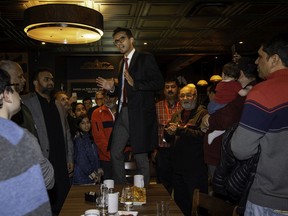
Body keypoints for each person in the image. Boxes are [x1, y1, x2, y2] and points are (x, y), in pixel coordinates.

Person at [96, 27, 164, 185]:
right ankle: (122, 188)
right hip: (123, 113)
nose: (119, 43)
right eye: (116, 42)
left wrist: (136, 83)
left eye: (122, 39)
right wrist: (111, 88)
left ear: (131, 40)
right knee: (115, 152)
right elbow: (121, 91)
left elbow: (159, 82)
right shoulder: (122, 63)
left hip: (139, 115)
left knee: (140, 156)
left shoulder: (145, 58)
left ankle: (141, 191)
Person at [231, 33, 288, 215]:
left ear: (274, 60)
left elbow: (241, 149)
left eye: (260, 56)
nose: (256, 62)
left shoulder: (263, 92)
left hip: (271, 197)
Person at [22, 68, 73, 215]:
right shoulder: (26, 102)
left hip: (61, 162)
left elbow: (67, 132)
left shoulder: (58, 104)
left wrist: (69, 157)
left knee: (63, 203)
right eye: (46, 79)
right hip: (42, 161)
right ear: (35, 82)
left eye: (51, 79)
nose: (50, 82)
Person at [0, 69, 52, 215]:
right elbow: (47, 179)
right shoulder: (18, 137)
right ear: (6, 95)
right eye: (15, 90)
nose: (20, 95)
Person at [201, 57, 258, 178]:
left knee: (220, 192)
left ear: (240, 74)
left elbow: (225, 120)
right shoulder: (243, 91)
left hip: (224, 155)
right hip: (223, 152)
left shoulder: (244, 94)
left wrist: (209, 120)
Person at [164, 85, 208, 216]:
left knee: (197, 207)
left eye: (188, 95)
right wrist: (169, 132)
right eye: (182, 96)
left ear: (195, 97)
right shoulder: (177, 114)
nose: (185, 98)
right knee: (180, 205)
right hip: (178, 168)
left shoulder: (203, 114)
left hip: (196, 169)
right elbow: (168, 138)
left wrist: (180, 130)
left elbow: (202, 137)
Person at [206, 62, 251, 144]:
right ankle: (216, 133)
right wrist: (249, 89)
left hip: (212, 106)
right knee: (227, 126)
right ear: (237, 77)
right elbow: (243, 93)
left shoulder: (219, 84)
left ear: (223, 74)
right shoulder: (235, 84)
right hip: (223, 106)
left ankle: (215, 132)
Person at [152, 77, 182, 194]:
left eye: (173, 87)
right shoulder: (157, 106)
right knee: (163, 187)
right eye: (167, 87)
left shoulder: (183, 105)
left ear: (178, 89)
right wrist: (154, 150)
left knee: (179, 185)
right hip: (162, 150)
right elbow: (152, 129)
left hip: (179, 151)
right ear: (163, 90)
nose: (170, 89)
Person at [91, 91, 117, 180]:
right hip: (106, 159)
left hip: (123, 156)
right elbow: (99, 138)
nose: (108, 99)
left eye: (111, 97)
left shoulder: (123, 111)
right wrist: (112, 155)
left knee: (124, 187)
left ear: (117, 98)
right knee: (108, 186)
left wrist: (128, 151)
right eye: (106, 97)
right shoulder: (97, 113)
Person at [73, 114, 102, 185]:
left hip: (91, 175)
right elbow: (82, 161)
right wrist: (94, 175)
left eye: (88, 122)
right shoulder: (79, 139)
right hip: (82, 177)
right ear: (78, 125)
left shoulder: (88, 136)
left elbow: (95, 156)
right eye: (83, 123)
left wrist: (98, 169)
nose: (86, 125)